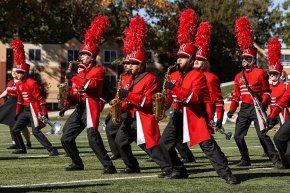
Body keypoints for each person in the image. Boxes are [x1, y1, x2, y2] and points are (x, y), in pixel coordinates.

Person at [158, 10, 238, 184]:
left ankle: (227, 174)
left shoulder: (198, 76)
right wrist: (161, 103)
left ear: (191, 59)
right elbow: (170, 99)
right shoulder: (173, 75)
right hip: (178, 115)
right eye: (178, 56)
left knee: (208, 147)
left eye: (183, 57)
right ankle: (179, 170)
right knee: (164, 143)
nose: (178, 60)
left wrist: (175, 89)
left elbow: (193, 98)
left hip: (194, 115)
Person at [60, 15, 116, 173]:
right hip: (79, 108)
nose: (82, 57)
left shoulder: (98, 70)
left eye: (85, 55)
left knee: (93, 138)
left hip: (90, 107)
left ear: (92, 57)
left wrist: (73, 77)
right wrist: (66, 102)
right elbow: (75, 91)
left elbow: (88, 85)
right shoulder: (80, 71)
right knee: (66, 138)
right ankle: (77, 163)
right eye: (81, 55)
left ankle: (108, 166)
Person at [114, 16, 170, 174]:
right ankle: (132, 166)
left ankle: (166, 167)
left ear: (141, 64)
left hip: (143, 116)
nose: (128, 66)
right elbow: (122, 98)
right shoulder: (124, 78)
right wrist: (119, 106)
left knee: (148, 143)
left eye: (132, 64)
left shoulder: (150, 78)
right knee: (120, 142)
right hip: (129, 116)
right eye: (127, 63)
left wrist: (128, 95)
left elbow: (147, 101)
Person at [227, 17, 282, 168]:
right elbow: (236, 96)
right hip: (244, 109)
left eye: (247, 58)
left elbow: (267, 91)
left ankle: (276, 160)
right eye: (243, 58)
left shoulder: (260, 73)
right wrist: (231, 110)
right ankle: (245, 159)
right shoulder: (238, 76)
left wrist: (264, 104)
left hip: (257, 107)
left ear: (253, 59)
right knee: (238, 136)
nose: (244, 60)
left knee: (262, 135)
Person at [11, 38, 58, 156]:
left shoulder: (32, 83)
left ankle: (52, 149)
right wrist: (17, 113)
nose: (18, 74)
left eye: (21, 72)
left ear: (25, 73)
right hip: (25, 110)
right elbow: (20, 100)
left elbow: (40, 99)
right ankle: (22, 148)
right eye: (17, 72)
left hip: (33, 109)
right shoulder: (19, 84)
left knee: (36, 131)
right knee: (15, 129)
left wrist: (44, 113)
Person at [0, 68, 31, 149]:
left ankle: (28, 142)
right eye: (13, 71)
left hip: (18, 103)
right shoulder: (10, 82)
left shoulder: (21, 82)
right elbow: (6, 92)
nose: (14, 73)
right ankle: (14, 143)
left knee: (22, 125)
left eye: (16, 71)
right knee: (10, 124)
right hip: (10, 103)